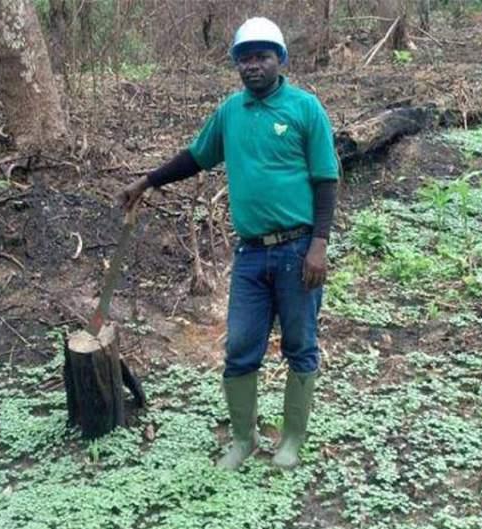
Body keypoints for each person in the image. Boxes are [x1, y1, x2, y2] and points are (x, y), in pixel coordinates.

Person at [119, 17, 339, 470]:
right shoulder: (230, 113)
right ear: (236, 64)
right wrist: (146, 181)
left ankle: (293, 438)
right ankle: (244, 438)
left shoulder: (305, 109)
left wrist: (319, 244)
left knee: (300, 343)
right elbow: (195, 157)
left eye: (262, 56)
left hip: (298, 249)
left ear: (280, 59)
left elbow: (326, 180)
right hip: (251, 253)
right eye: (244, 58)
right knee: (241, 344)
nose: (252, 65)